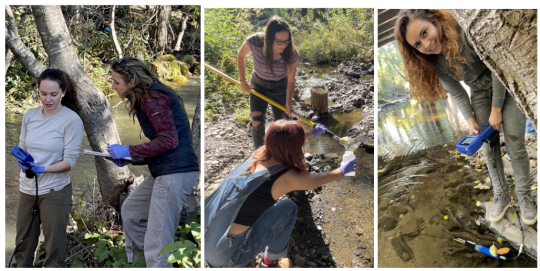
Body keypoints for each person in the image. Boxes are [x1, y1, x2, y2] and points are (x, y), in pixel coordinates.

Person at [394, 9, 536, 225]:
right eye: (418, 45)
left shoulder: (467, 33)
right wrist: (470, 121)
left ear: (435, 20)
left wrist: (496, 110)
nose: (426, 45)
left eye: (425, 33)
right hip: (479, 94)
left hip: (506, 85)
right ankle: (501, 196)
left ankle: (525, 195)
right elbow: (458, 92)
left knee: (516, 144)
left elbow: (497, 68)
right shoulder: (434, 62)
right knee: (489, 148)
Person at [204, 120, 358, 267]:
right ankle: (269, 262)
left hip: (206, 239)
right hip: (227, 258)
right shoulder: (285, 177)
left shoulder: (259, 154)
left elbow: (283, 139)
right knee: (288, 208)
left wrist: (313, 133)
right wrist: (343, 170)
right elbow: (315, 181)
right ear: (296, 147)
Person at [106, 57, 199, 267]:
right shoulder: (148, 97)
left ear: (131, 81)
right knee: (131, 212)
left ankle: (157, 263)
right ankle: (147, 263)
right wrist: (131, 157)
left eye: (116, 82)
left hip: (175, 173)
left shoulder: (153, 97)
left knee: (157, 244)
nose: (113, 86)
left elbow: (169, 140)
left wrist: (128, 149)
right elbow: (163, 143)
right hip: (166, 170)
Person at [14, 69, 84, 267]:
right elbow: (22, 146)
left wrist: (42, 169)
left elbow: (70, 162)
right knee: (23, 244)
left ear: (63, 92)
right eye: (43, 93)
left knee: (54, 247)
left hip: (55, 191)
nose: (48, 99)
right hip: (27, 189)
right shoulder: (30, 116)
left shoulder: (71, 120)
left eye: (53, 94)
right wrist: (23, 159)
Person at [237, 15, 300, 150]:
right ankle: (259, 153)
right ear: (269, 38)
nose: (283, 45)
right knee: (257, 120)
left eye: (286, 41)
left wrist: (288, 102)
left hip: (280, 87)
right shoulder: (254, 41)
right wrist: (242, 81)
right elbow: (241, 55)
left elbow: (290, 81)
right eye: (279, 41)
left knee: (282, 123)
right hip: (258, 85)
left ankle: (282, 152)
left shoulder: (291, 52)